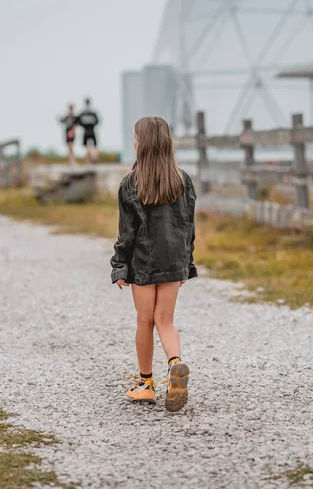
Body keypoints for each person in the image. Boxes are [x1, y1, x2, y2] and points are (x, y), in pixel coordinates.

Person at [110, 116, 197, 412]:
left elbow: (127, 233)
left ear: (140, 144)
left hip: (144, 262)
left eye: (135, 138)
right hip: (174, 260)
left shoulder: (130, 184)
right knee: (166, 320)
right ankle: (175, 364)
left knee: (145, 320)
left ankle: (146, 384)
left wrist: (120, 265)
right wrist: (188, 262)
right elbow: (188, 226)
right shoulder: (183, 181)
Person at [77, 98, 99, 163]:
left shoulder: (82, 113)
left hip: (86, 131)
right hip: (92, 130)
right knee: (95, 146)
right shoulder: (93, 112)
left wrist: (84, 125)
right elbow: (97, 121)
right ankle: (94, 156)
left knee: (86, 147)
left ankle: (88, 160)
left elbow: (79, 121)